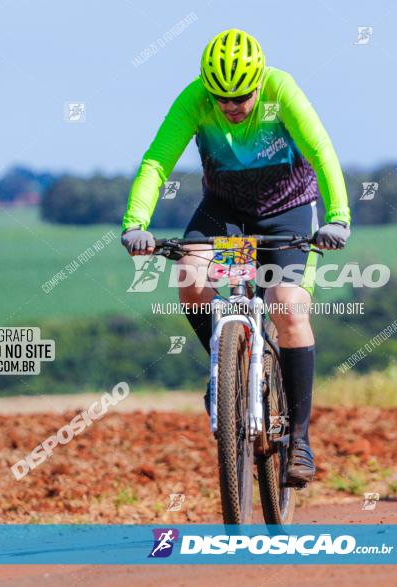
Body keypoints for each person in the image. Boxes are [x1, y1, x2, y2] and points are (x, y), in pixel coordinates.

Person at [121, 29, 351, 485]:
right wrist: (135, 223)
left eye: (241, 96)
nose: (231, 105)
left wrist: (338, 217)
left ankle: (300, 440)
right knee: (190, 275)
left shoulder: (280, 90)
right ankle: (223, 373)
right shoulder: (194, 100)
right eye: (221, 97)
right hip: (226, 213)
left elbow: (322, 151)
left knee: (287, 306)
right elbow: (156, 162)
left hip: (287, 211)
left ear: (258, 81)